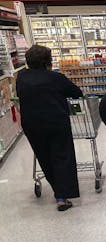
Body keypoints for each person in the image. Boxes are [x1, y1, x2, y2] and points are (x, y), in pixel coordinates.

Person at [15, 45, 83, 212]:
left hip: (32, 125)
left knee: (44, 158)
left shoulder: (21, 77)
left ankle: (58, 191)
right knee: (62, 157)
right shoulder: (55, 77)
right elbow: (77, 93)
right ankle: (62, 196)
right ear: (48, 61)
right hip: (56, 122)